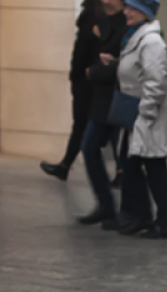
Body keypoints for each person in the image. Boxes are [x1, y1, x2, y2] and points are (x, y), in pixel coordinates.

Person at [115, 0, 167, 238]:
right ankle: (143, 216)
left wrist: (144, 113)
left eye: (132, 8)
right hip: (141, 113)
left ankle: (163, 222)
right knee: (133, 165)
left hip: (149, 114)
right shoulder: (139, 38)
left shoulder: (151, 42)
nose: (126, 12)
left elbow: (156, 81)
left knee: (154, 167)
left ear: (144, 12)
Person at [75, 0, 127, 225]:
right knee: (89, 147)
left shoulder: (129, 21)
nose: (106, 1)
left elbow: (126, 60)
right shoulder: (100, 20)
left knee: (125, 157)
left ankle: (129, 211)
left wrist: (107, 65)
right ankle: (106, 204)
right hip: (102, 96)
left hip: (120, 96)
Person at [41, 0, 100, 181]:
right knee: (96, 127)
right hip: (96, 80)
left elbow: (81, 52)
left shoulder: (91, 17)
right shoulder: (103, 18)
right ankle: (65, 165)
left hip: (87, 81)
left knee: (84, 125)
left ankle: (66, 166)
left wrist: (75, 76)